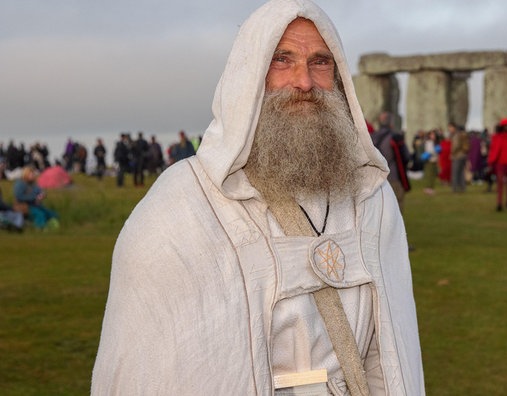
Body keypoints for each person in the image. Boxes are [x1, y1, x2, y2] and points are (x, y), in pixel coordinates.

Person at [91, 1, 424, 395]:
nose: (304, 81)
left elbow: (391, 352)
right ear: (249, 74)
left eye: (320, 62)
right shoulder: (182, 208)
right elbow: (153, 370)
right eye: (282, 60)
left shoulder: (371, 198)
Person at [370, 111, 411, 212]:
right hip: (393, 175)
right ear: (391, 123)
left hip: (375, 177)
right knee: (396, 205)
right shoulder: (395, 137)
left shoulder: (371, 137)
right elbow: (406, 156)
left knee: (380, 208)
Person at [449, 123, 469, 193]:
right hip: (463, 155)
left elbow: (456, 146)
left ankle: (454, 188)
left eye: (450, 127)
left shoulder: (456, 135)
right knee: (461, 173)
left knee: (455, 173)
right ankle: (463, 187)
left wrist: (452, 153)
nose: (449, 129)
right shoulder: (464, 135)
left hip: (457, 156)